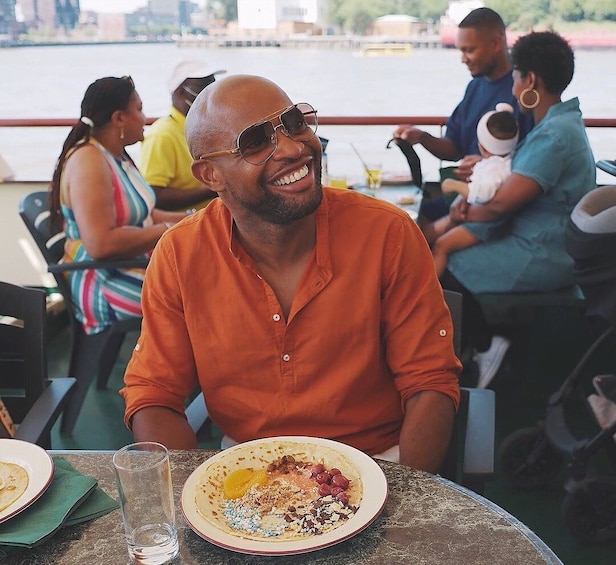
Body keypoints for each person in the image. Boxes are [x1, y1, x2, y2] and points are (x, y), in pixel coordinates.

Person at [121, 75, 461, 473]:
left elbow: (429, 382)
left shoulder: (388, 233)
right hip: (250, 472)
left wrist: (412, 498)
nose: (293, 147)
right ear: (211, 176)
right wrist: (192, 498)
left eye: (295, 123)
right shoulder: (181, 255)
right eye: (255, 141)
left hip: (377, 465)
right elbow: (153, 392)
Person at [441, 31, 596, 387]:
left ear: (531, 80)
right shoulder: (557, 125)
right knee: (450, 249)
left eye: (515, 79)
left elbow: (500, 206)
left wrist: (462, 215)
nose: (512, 89)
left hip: (543, 253)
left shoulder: (555, 136)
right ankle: (479, 345)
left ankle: (482, 347)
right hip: (538, 240)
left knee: (449, 262)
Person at [48, 76, 188, 336]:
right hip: (103, 281)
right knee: (202, 297)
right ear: (119, 118)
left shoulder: (117, 156)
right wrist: (169, 229)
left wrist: (193, 219)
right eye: (139, 109)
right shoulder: (89, 160)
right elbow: (101, 244)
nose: (145, 117)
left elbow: (146, 214)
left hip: (130, 264)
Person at [392, 7, 533, 223]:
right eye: (461, 51)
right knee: (398, 219)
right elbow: (454, 147)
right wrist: (421, 137)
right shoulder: (474, 87)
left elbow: (531, 163)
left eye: (469, 50)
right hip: (461, 195)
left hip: (492, 204)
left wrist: (486, 166)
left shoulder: (522, 92)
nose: (463, 59)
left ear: (496, 43)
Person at [428, 102, 519, 277]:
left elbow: (483, 193)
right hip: (477, 217)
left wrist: (455, 186)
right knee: (433, 233)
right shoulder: (502, 163)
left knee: (441, 246)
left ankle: (425, 296)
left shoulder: (495, 169)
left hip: (485, 224)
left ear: (481, 145)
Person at [139, 60, 226, 211]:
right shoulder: (162, 135)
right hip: (187, 226)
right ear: (180, 92)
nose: (210, 93)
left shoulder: (206, 127)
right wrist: (213, 190)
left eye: (213, 86)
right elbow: (154, 196)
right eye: (203, 87)